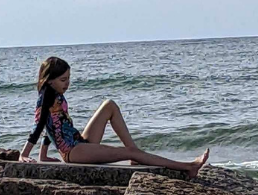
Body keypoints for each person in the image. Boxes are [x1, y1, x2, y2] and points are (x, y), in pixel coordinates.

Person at [19, 56, 208, 175]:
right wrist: (25, 154)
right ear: (49, 80)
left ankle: (135, 154)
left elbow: (53, 126)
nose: (67, 84)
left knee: (109, 105)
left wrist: (44, 155)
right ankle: (187, 167)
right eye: (63, 80)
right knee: (128, 152)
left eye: (69, 78)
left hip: (79, 142)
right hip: (73, 152)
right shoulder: (46, 97)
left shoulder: (56, 95)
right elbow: (40, 124)